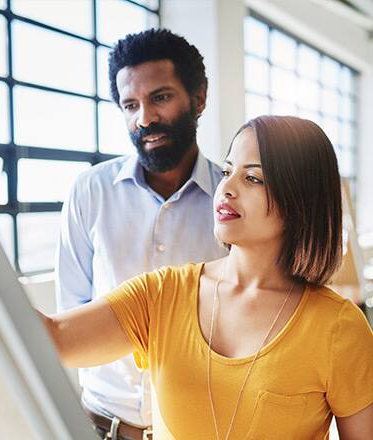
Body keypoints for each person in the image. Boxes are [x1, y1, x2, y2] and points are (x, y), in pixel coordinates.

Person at [46, 115, 373, 439]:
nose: (226, 188)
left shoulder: (339, 329)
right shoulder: (162, 294)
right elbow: (55, 337)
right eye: (228, 171)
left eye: (253, 179)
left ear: (299, 200)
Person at [55, 29, 227, 439]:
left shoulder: (234, 199)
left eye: (161, 97)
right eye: (130, 104)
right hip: (102, 426)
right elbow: (72, 318)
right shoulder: (89, 191)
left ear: (198, 99)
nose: (144, 119)